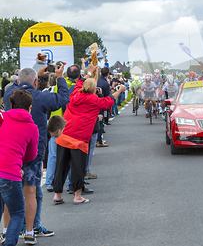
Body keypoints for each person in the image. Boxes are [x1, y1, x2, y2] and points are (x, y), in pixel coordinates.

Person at [3, 65, 69, 244]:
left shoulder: (10, 95)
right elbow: (63, 98)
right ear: (35, 82)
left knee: (10, 194)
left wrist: (34, 77)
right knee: (31, 191)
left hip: (10, 151)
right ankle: (30, 232)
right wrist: (59, 76)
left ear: (17, 81)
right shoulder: (41, 97)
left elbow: (18, 87)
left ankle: (6, 231)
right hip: (33, 150)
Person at [53, 65, 126, 205]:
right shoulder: (94, 101)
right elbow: (109, 101)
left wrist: (90, 71)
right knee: (78, 168)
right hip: (79, 139)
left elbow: (80, 81)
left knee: (61, 166)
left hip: (64, 135)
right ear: (94, 90)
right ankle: (77, 196)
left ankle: (57, 194)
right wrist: (120, 91)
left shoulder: (74, 94)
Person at [0, 90, 39, 246]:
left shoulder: (2, 118)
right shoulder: (32, 128)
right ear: (30, 108)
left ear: (11, 104)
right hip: (10, 173)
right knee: (17, 213)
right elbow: (30, 156)